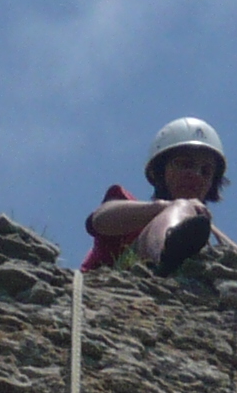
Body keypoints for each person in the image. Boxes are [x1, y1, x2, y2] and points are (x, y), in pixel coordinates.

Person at [82, 117, 227, 275]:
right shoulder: (129, 209)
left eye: (206, 171)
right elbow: (100, 220)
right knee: (182, 206)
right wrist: (168, 206)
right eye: (185, 164)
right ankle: (162, 264)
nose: (196, 175)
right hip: (123, 279)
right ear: (159, 171)